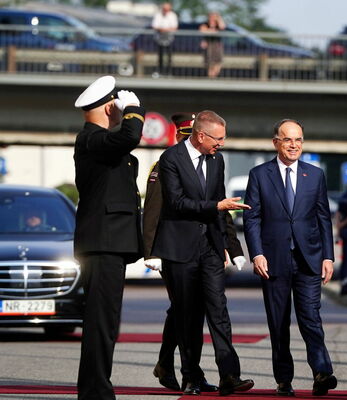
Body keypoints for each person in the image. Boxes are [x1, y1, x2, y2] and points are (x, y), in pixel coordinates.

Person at [152, 110, 254, 396]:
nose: (221, 144)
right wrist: (216, 207)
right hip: (179, 249)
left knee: (218, 310)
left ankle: (229, 375)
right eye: (217, 139)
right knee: (187, 316)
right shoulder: (171, 159)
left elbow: (221, 204)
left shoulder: (216, 160)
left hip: (209, 247)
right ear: (200, 135)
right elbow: (176, 203)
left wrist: (229, 245)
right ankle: (191, 377)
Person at [243, 119, 337, 397]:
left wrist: (328, 257)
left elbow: (323, 217)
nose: (294, 145)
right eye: (287, 140)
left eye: (298, 140)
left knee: (311, 317)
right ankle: (284, 380)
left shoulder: (315, 175)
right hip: (273, 261)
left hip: (309, 259)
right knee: (278, 321)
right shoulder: (259, 174)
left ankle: (322, 371)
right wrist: (256, 253)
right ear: (276, 143)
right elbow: (252, 218)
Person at [72, 75, 144, 400]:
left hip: (109, 244)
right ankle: (95, 391)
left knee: (106, 322)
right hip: (102, 243)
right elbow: (130, 137)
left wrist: (120, 119)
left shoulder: (102, 143)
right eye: (114, 105)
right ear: (107, 107)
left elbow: (124, 152)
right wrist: (133, 110)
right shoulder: (90, 139)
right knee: (101, 323)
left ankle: (96, 388)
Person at [151, 2, 178, 77]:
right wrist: (162, 29)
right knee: (160, 56)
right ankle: (160, 72)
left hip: (170, 39)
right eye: (164, 9)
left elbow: (174, 27)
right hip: (159, 38)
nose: (165, 11)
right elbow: (154, 26)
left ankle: (169, 73)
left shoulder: (173, 15)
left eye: (167, 9)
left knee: (169, 56)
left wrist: (165, 30)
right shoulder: (158, 15)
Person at [199, 12, 226, 78]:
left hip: (217, 46)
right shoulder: (205, 24)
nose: (212, 18)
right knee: (210, 65)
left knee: (218, 64)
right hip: (209, 46)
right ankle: (211, 77)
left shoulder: (218, 25)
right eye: (211, 17)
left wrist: (219, 18)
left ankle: (214, 76)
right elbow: (202, 30)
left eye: (214, 17)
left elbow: (223, 27)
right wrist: (212, 31)